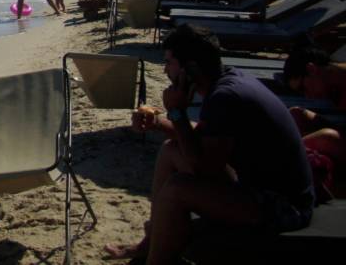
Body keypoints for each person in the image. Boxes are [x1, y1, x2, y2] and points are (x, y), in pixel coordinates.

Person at [107, 24, 314, 263]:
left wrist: (177, 112)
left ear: (190, 69)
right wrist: (158, 123)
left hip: (284, 206)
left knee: (177, 189)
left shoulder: (225, 97)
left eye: (169, 63)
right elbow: (205, 138)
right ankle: (150, 243)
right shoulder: (227, 82)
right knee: (170, 150)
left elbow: (201, 167)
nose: (165, 70)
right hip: (260, 187)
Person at [283, 44, 346, 197]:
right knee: (296, 114)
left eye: (303, 88)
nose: (308, 96)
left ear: (312, 69)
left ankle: (277, 157)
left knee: (327, 138)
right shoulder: (336, 85)